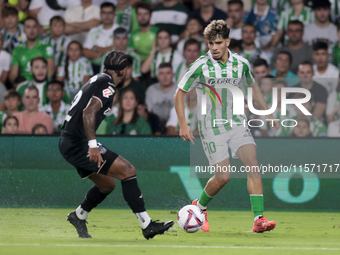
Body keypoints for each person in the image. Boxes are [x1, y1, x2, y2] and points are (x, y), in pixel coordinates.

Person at [174, 20, 278, 233]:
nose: (213, 47)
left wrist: (268, 112)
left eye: (218, 42)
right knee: (223, 176)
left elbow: (253, 86)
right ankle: (199, 207)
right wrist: (183, 124)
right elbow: (179, 93)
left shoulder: (242, 64)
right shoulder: (200, 65)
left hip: (237, 123)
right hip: (211, 127)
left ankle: (259, 219)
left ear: (228, 41)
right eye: (210, 43)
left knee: (253, 164)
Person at [58, 50, 173, 239]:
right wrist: (93, 145)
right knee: (128, 170)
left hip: (69, 141)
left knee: (108, 185)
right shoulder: (108, 85)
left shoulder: (98, 79)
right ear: (124, 71)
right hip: (79, 143)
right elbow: (88, 113)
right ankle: (147, 224)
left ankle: (79, 215)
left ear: (105, 67)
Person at [9, 17, 54, 85]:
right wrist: (19, 86)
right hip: (23, 85)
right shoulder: (18, 49)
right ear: (24, 30)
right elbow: (13, 74)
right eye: (28, 27)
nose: (31, 30)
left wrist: (43, 86)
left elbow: (50, 70)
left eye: (34, 27)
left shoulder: (46, 46)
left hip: (42, 84)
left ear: (38, 29)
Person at [83, 2, 118, 74]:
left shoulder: (119, 30)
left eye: (110, 13)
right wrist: (106, 53)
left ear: (114, 14)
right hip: (94, 68)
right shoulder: (93, 31)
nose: (107, 16)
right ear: (100, 14)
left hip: (112, 69)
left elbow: (116, 52)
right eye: (104, 13)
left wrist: (96, 48)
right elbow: (85, 51)